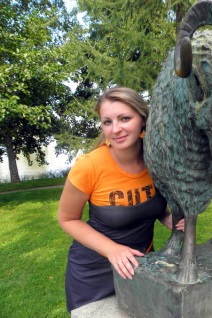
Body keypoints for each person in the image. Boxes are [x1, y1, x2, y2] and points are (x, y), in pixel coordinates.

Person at [57, 86, 184, 312]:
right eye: (107, 122)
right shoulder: (89, 166)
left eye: (125, 118)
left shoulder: (157, 159)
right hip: (93, 274)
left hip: (140, 267)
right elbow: (67, 219)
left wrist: (166, 217)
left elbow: (152, 203)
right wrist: (112, 249)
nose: (116, 129)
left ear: (142, 120)